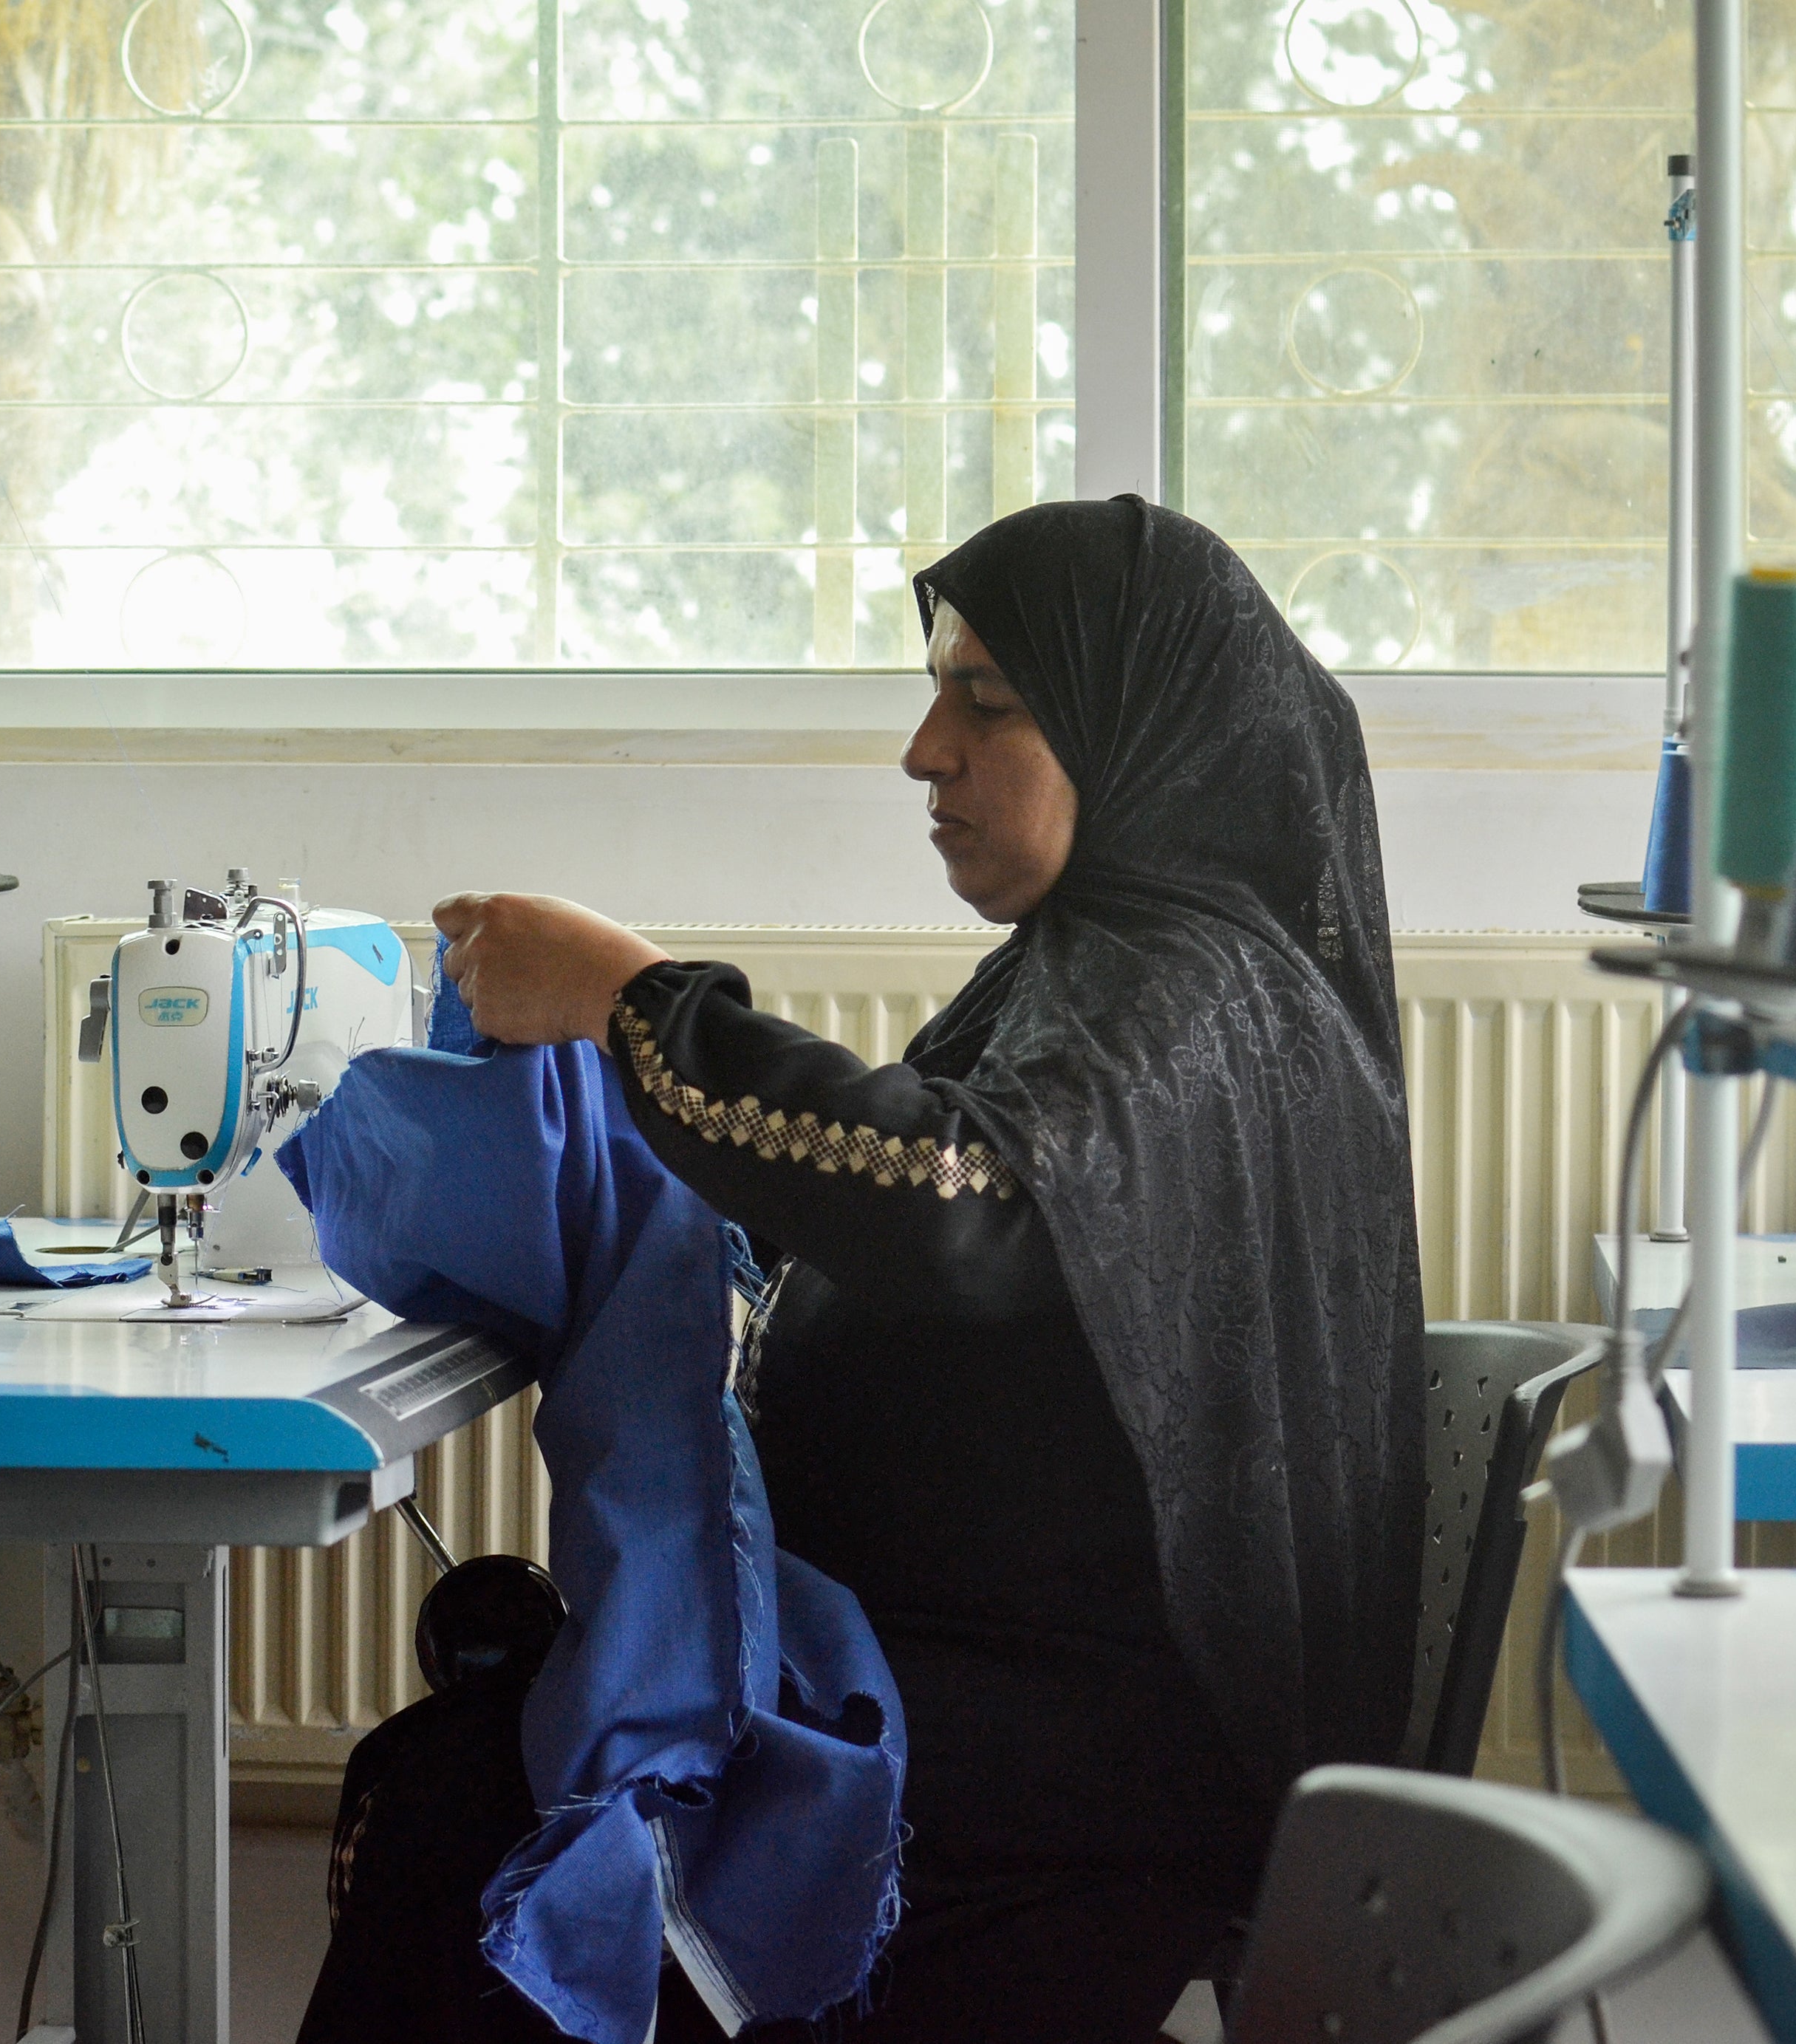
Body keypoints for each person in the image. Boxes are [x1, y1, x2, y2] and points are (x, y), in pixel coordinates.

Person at [430, 496, 1426, 2042]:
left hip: (1087, 1748)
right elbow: (901, 1204)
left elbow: (960, 1196)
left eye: (990, 700)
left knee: (472, 1794)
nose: (923, 748)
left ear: (1128, 724)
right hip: (1003, 1681)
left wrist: (639, 1007)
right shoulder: (1119, 966)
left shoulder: (1186, 989)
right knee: (505, 1716)